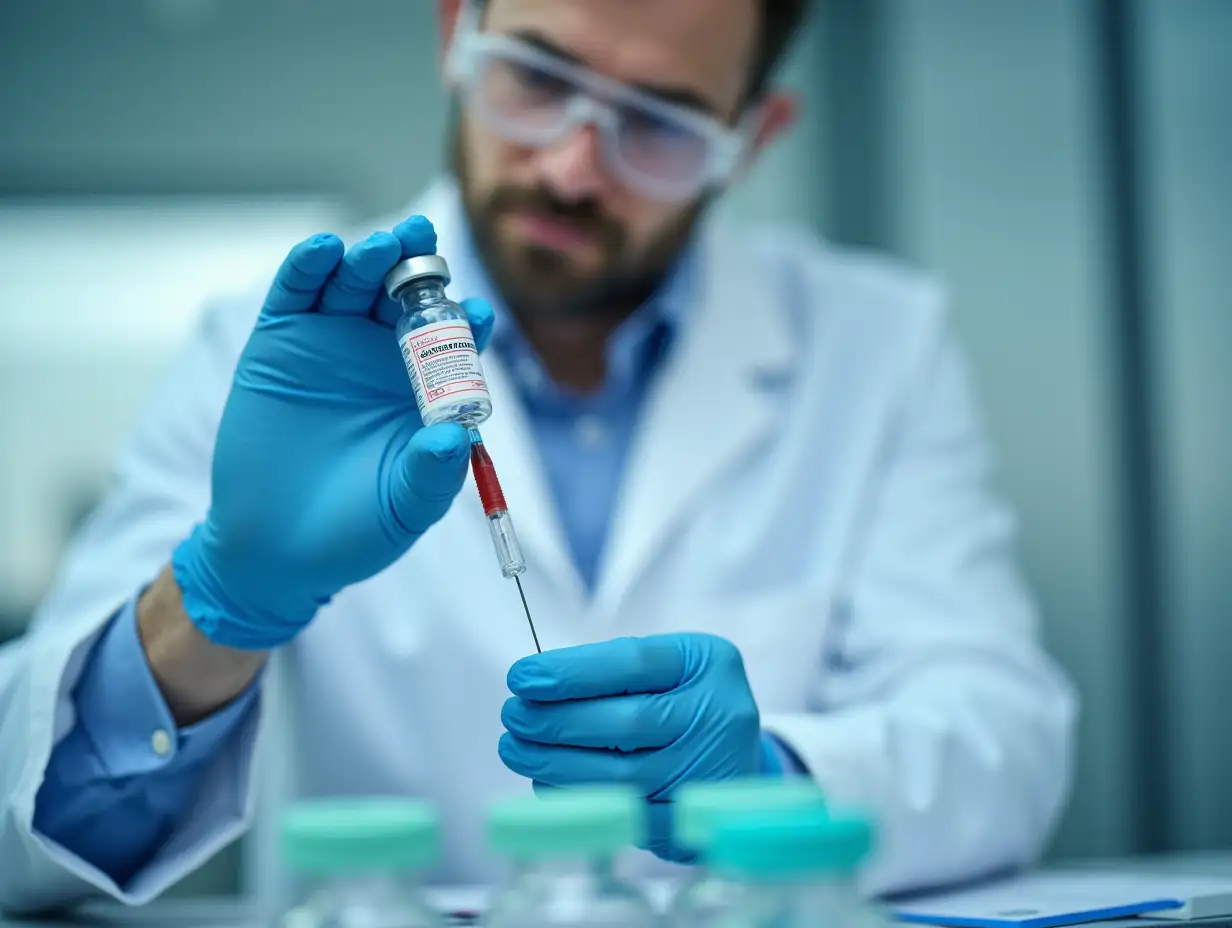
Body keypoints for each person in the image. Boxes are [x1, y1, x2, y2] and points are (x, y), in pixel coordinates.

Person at [0, 0, 1076, 915]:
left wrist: (773, 783)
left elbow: (998, 736)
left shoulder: (877, 344)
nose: (569, 168)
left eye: (657, 123)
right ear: (452, 32)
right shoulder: (259, 348)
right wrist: (219, 600)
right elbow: (20, 825)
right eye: (534, 74)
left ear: (748, 140)